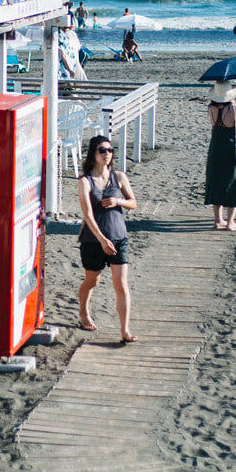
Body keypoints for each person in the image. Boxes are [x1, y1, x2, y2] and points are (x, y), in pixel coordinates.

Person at [76, 136, 138, 343]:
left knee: (121, 285)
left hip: (119, 236)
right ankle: (83, 311)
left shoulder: (119, 177)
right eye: (102, 150)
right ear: (93, 153)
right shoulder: (85, 181)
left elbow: (133, 203)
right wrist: (102, 240)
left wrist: (117, 201)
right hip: (93, 240)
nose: (107, 154)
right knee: (92, 280)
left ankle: (125, 330)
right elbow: (87, 215)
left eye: (110, 150)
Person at [205, 82, 236, 231]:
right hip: (230, 148)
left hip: (216, 147)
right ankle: (230, 222)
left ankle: (218, 220)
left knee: (216, 181)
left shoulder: (210, 108)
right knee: (233, 181)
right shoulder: (233, 108)